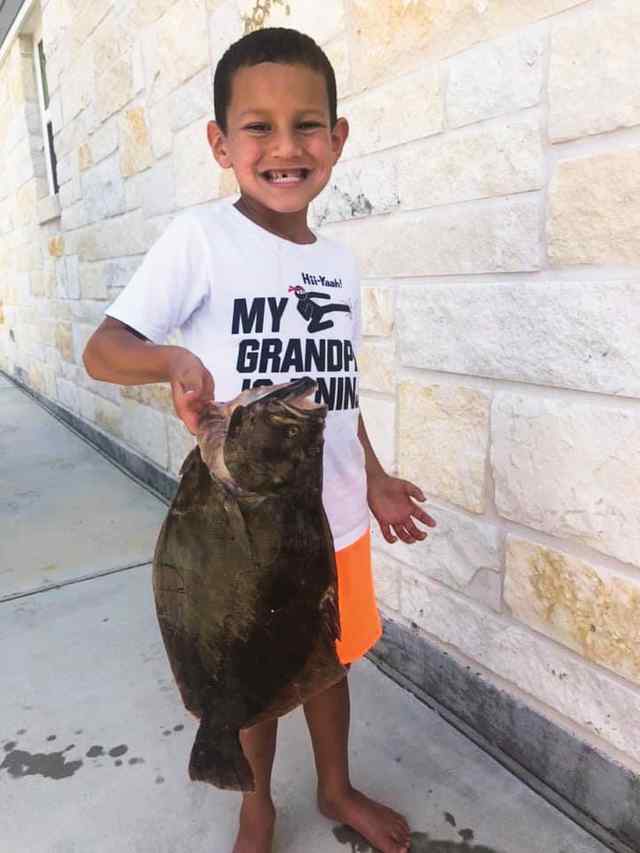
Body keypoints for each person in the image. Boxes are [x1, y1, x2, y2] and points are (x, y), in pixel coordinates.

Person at [83, 27, 436, 853]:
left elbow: (334, 387)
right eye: (258, 126)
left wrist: (376, 475)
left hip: (337, 517)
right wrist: (171, 358)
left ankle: (337, 786)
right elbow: (103, 348)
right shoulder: (201, 239)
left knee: (330, 661)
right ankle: (256, 805)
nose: (286, 146)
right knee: (254, 670)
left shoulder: (340, 263)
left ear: (338, 137)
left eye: (308, 124)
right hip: (241, 529)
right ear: (220, 142)